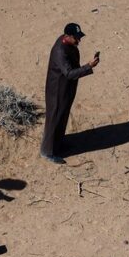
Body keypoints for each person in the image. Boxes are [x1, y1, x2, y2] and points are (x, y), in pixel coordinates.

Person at [40, 23, 99, 164]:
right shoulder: (60, 51)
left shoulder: (67, 43)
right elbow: (69, 73)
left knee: (63, 116)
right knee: (54, 119)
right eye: (76, 38)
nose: (79, 40)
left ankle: (58, 144)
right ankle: (48, 151)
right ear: (68, 36)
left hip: (65, 88)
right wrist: (88, 66)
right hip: (57, 91)